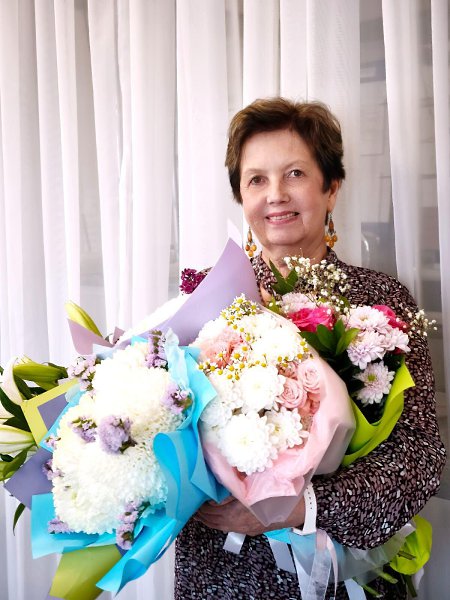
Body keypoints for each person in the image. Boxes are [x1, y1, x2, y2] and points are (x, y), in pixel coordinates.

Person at [174, 97, 446, 599]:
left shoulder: (380, 301)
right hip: (221, 570)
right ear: (240, 195)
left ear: (332, 187)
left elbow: (419, 453)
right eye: (256, 180)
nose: (275, 195)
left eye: (295, 173)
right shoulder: (204, 302)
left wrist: (301, 506)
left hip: (342, 572)